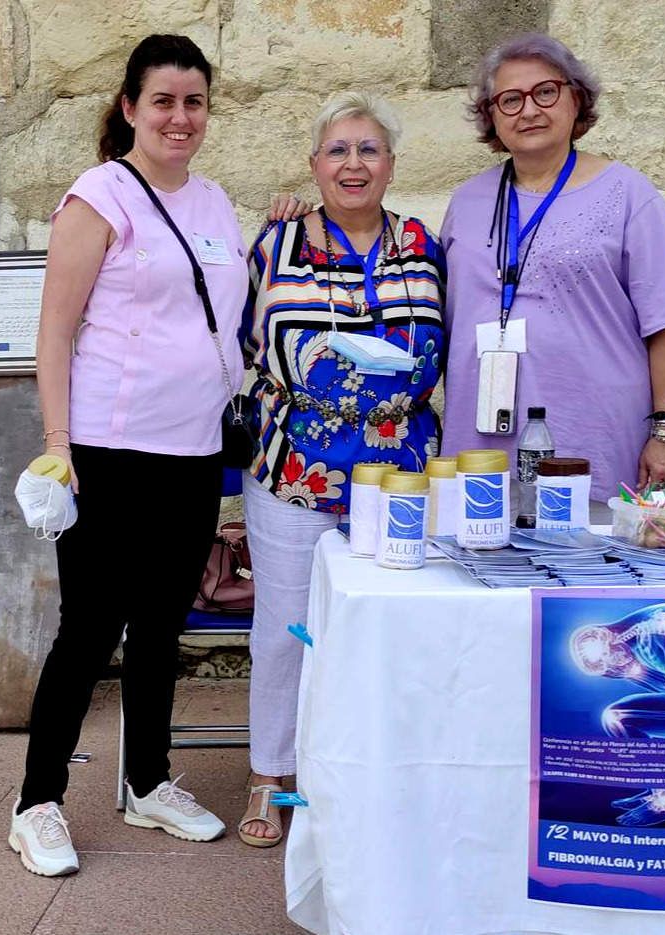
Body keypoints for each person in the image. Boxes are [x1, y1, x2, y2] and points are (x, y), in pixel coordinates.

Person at [10, 34, 244, 877]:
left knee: (160, 627)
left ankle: (146, 780)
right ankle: (36, 800)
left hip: (193, 450)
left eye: (194, 102)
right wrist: (56, 444)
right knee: (88, 629)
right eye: (164, 102)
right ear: (130, 108)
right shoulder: (99, 197)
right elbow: (55, 328)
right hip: (107, 450)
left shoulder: (216, 203)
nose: (180, 118)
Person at [237, 92, 446, 847]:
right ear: (313, 164)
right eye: (337, 150)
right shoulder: (275, 242)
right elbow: (240, 338)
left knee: (390, 626)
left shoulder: (425, 245)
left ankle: (378, 775)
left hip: (399, 469)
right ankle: (271, 775)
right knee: (286, 630)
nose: (353, 163)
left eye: (368, 149)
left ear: (390, 164)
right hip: (295, 466)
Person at [442, 33, 665, 508]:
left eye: (546, 92)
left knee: (584, 567)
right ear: (491, 116)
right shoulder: (467, 202)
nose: (528, 110)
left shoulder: (629, 196)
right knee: (479, 561)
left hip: (591, 428)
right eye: (510, 100)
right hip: (481, 433)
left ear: (576, 99)